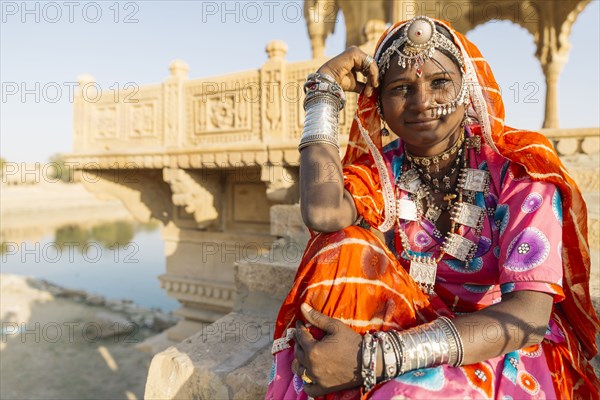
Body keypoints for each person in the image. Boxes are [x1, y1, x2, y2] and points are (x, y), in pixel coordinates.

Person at [266, 16, 600, 399]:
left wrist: (374, 359)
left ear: (466, 86)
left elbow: (528, 315)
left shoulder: (517, 170)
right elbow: (324, 213)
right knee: (341, 245)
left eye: (439, 83)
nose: (422, 102)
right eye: (401, 88)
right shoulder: (382, 171)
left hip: (501, 341)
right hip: (415, 322)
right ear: (379, 103)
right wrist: (322, 92)